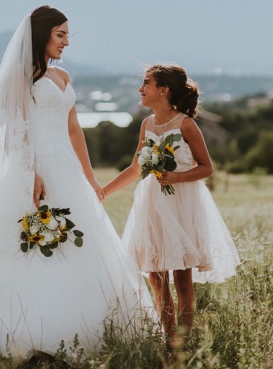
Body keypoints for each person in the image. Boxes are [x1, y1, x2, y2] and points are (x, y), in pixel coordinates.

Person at [0, 6, 154, 357]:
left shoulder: (64, 76)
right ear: (42, 34)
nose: (67, 42)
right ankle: (26, 325)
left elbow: (73, 129)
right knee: (30, 241)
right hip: (35, 168)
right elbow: (17, 130)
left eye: (68, 35)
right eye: (61, 35)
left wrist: (90, 178)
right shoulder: (19, 77)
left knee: (78, 242)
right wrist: (30, 174)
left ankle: (89, 323)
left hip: (67, 168)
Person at [102, 64, 239, 340]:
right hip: (152, 203)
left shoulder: (185, 124)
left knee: (182, 276)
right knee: (155, 273)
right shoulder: (147, 124)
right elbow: (135, 168)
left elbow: (206, 167)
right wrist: (103, 191)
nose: (141, 89)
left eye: (146, 83)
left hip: (182, 202)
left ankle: (184, 339)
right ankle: (168, 334)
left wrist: (176, 177)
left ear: (163, 90)